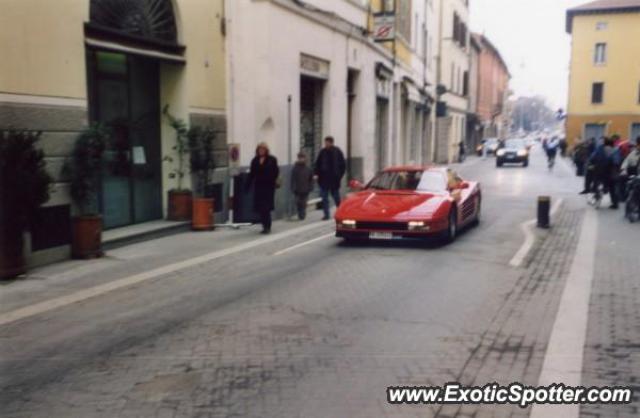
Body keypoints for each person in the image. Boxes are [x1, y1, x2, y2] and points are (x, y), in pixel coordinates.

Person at [246, 142, 279, 234]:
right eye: (260, 149)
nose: (261, 151)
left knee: (266, 207)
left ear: (266, 150)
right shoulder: (255, 160)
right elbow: (251, 174)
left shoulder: (272, 159)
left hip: (268, 187)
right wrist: (247, 186)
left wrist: (273, 180)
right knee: (261, 208)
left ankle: (267, 226)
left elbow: (276, 172)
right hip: (259, 187)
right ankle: (264, 226)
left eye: (263, 149)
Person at [314, 136, 346, 220]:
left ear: (331, 142)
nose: (326, 144)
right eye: (325, 142)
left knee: (336, 197)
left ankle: (340, 212)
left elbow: (343, 165)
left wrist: (339, 176)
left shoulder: (337, 151)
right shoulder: (322, 152)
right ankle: (326, 214)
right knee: (324, 198)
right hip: (324, 179)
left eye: (327, 142)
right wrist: (316, 173)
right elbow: (317, 164)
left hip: (334, 180)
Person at [589, 136, 622, 209]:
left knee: (596, 183)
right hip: (610, 172)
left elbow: (592, 157)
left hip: (599, 170)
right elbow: (617, 161)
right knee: (612, 187)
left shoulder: (599, 148)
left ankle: (596, 197)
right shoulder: (615, 149)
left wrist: (591, 164)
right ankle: (615, 203)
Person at [290, 151, 314, 220]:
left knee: (303, 202)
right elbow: (293, 178)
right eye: (300, 158)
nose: (301, 159)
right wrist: (292, 187)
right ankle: (300, 213)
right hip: (297, 189)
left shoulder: (308, 168)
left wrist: (311, 186)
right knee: (298, 202)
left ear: (305, 159)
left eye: (302, 158)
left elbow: (311, 178)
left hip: (305, 189)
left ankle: (302, 214)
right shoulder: (295, 168)